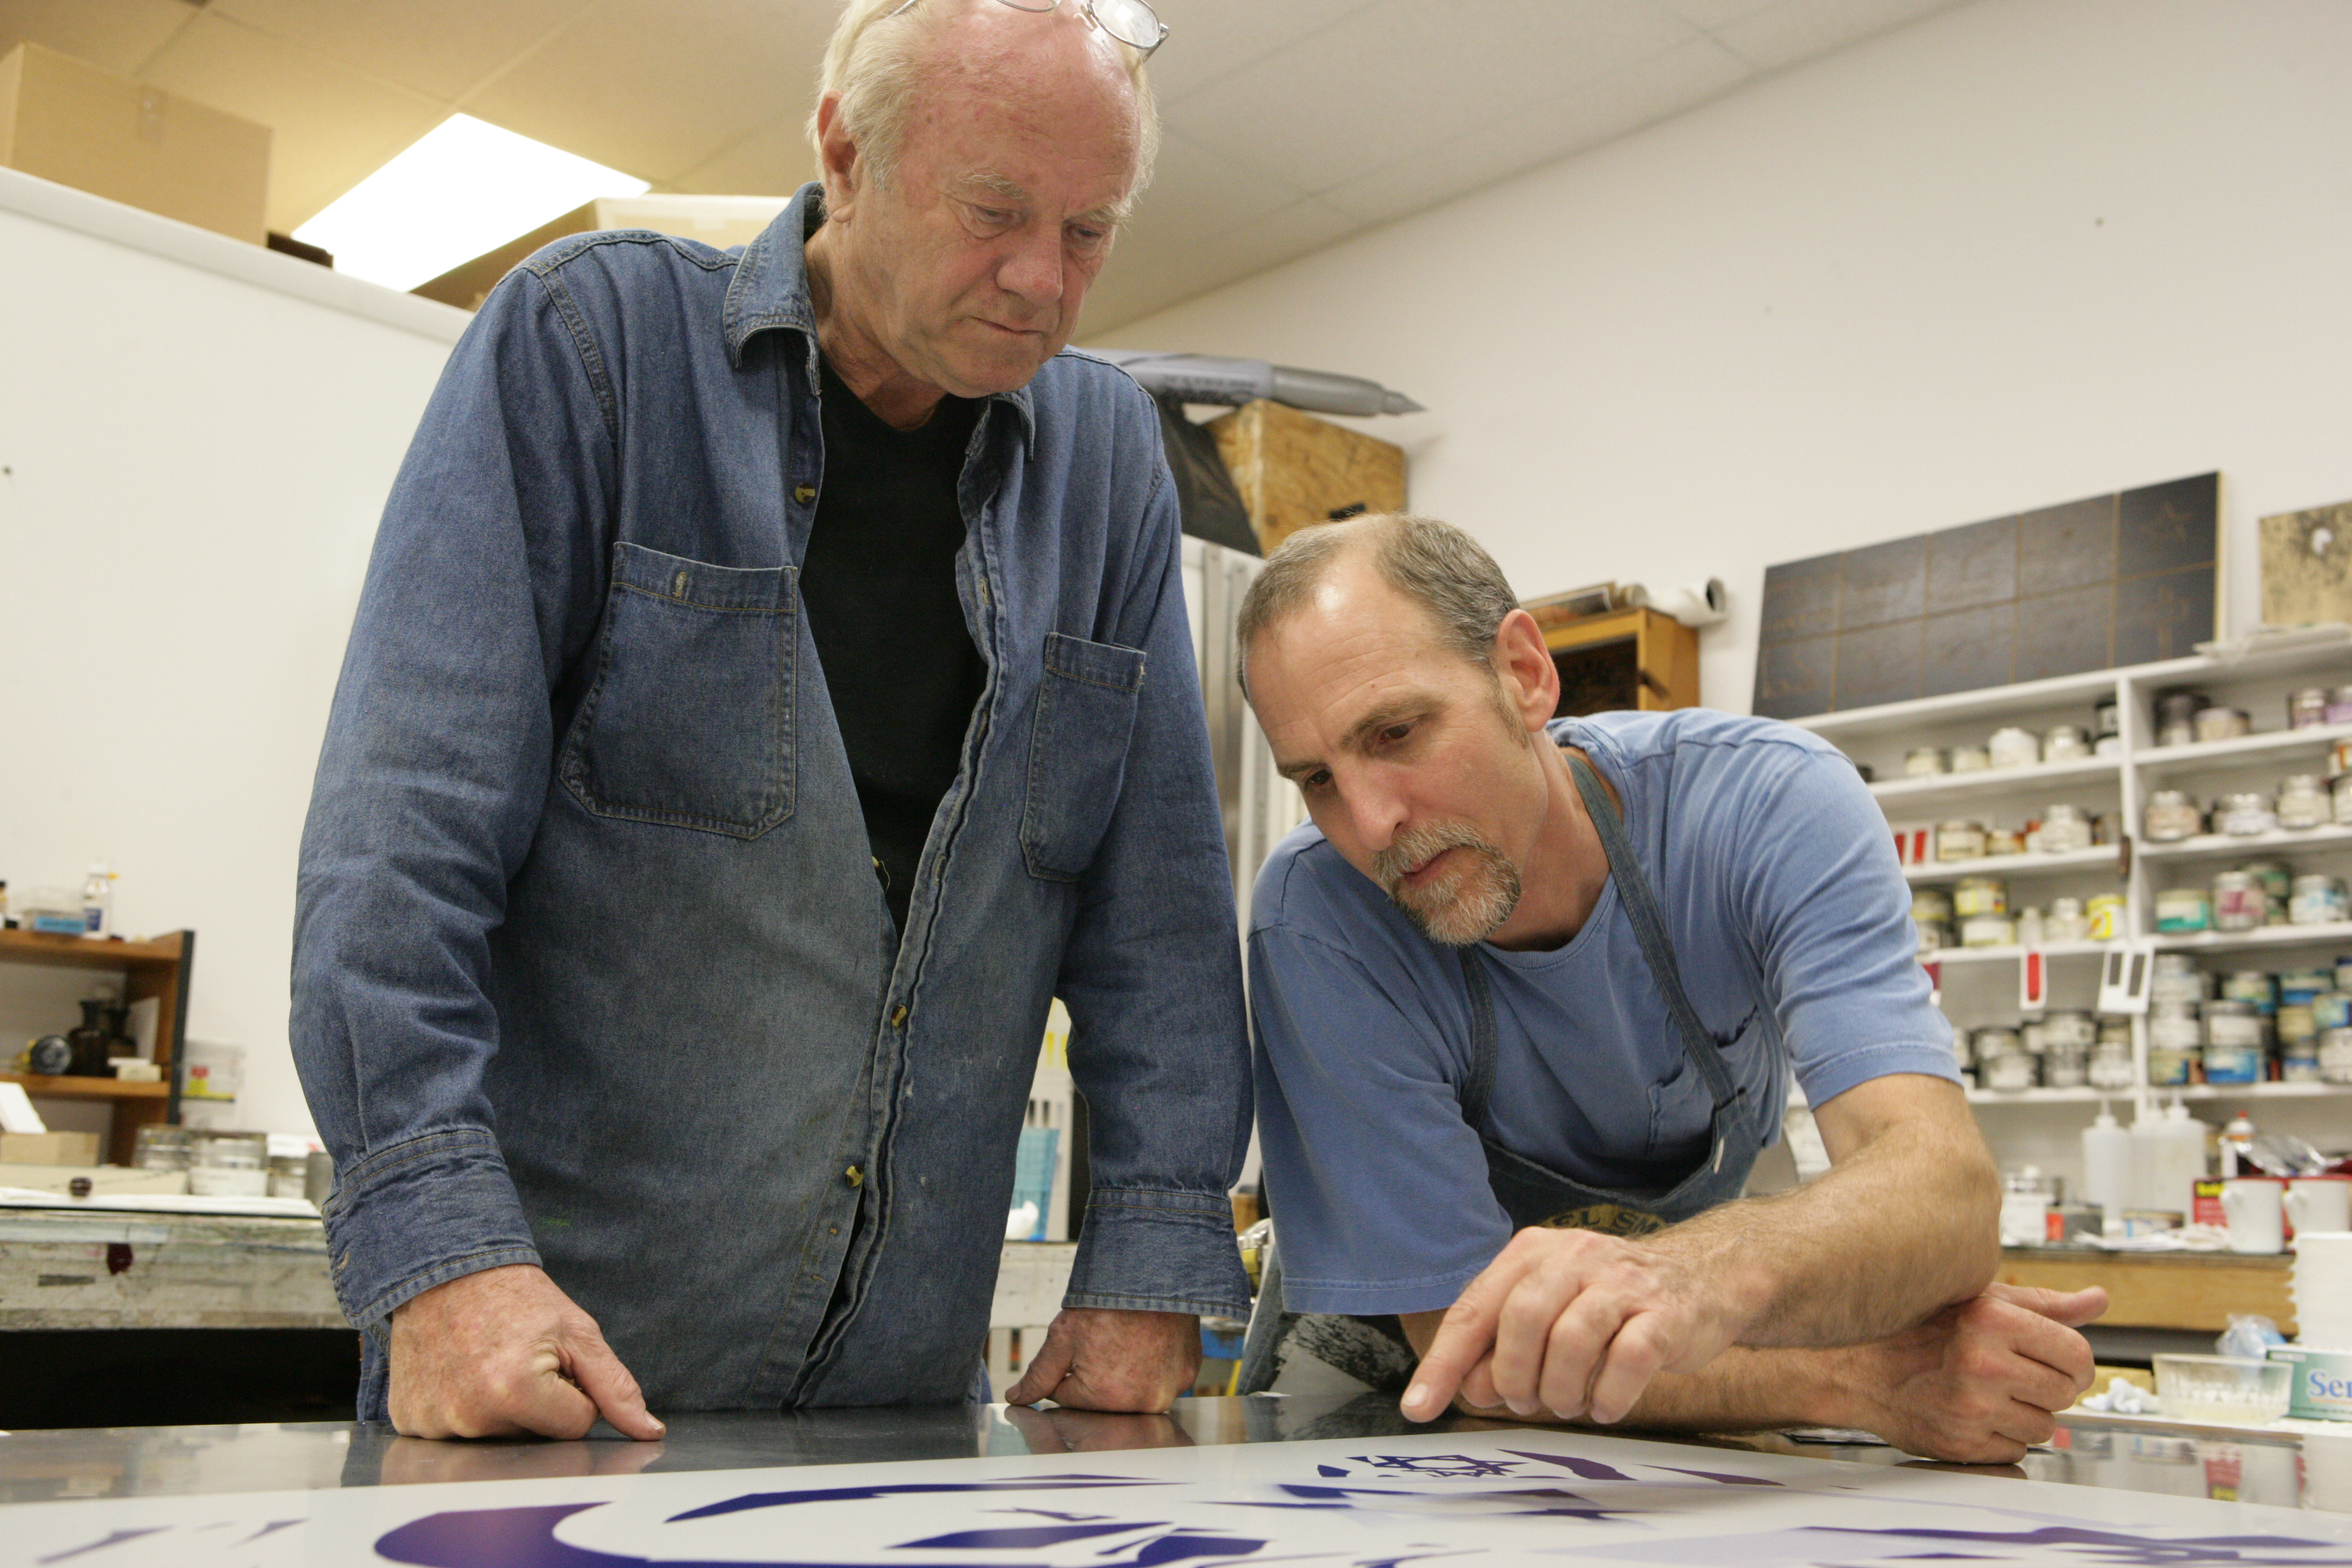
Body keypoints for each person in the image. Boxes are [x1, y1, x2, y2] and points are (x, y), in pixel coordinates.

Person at [291, 0, 1250, 1441]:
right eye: (995, 210)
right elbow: (397, 851)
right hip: (561, 1371)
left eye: (1090, 230)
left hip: (902, 1399)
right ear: (845, 153)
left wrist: (1152, 1266)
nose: (1042, 282)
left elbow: (1158, 918)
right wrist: (444, 1260)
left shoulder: (1108, 465)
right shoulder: (593, 345)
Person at [1233, 514, 2106, 1463]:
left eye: (1398, 732)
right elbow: (1462, 1344)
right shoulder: (1318, 919)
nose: (1370, 823)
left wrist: (1704, 1274)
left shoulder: (1767, 810)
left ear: (1523, 674)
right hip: (1390, 1404)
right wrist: (1864, 1375)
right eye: (1317, 778)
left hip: (1675, 1383)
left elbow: (1941, 1189)